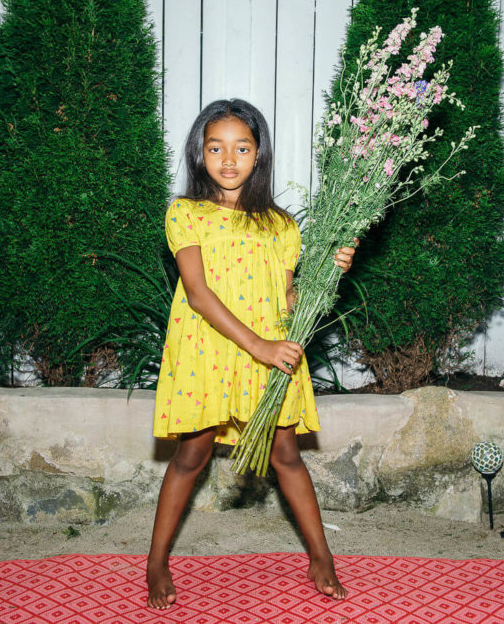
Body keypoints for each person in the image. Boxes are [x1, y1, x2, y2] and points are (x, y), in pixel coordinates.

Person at [146, 99, 357, 610]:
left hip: (268, 351)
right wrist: (258, 345)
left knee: (285, 454)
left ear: (259, 154)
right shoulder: (186, 212)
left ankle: (320, 555)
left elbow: (287, 301)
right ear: (200, 153)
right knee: (192, 455)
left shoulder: (282, 225)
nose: (228, 158)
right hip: (208, 350)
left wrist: (330, 273)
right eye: (215, 147)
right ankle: (155, 562)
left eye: (242, 147)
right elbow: (197, 293)